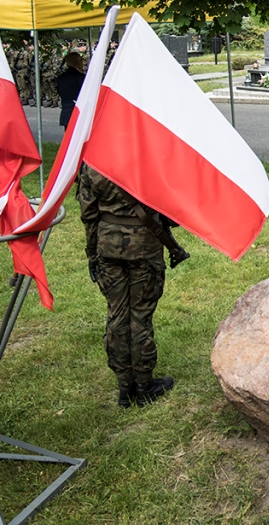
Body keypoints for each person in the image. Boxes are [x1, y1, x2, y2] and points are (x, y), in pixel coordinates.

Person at [77, 165, 175, 408]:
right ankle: (144, 386)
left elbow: (88, 214)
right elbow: (173, 203)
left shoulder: (92, 163)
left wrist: (92, 253)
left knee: (117, 314)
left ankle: (125, 386)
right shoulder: (150, 158)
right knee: (139, 316)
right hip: (144, 245)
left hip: (108, 247)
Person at [57, 51, 87, 127]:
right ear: (79, 63)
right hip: (78, 113)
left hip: (66, 113)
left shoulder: (61, 78)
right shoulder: (81, 77)